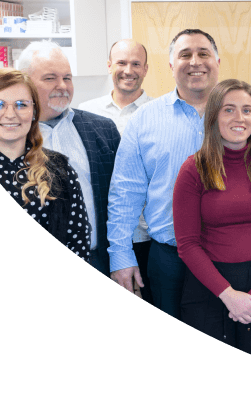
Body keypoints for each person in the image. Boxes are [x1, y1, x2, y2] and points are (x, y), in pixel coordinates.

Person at [107, 29, 251, 319]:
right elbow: (125, 193)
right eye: (185, 54)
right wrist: (120, 255)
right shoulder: (145, 119)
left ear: (217, 60)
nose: (195, 62)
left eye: (203, 53)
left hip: (241, 259)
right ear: (170, 65)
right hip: (171, 260)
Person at [173, 79, 251, 362]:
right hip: (209, 287)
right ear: (214, 116)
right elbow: (187, 244)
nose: (240, 118)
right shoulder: (193, 169)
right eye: (229, 110)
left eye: (247, 110)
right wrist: (228, 296)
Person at [16, 41, 120, 274]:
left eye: (68, 78)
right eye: (50, 78)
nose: (62, 86)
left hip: (98, 262)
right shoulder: (8, 136)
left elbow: (120, 200)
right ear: (24, 82)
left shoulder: (101, 130)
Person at [0, 69, 90, 260]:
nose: (10, 114)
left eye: (21, 105)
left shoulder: (59, 170)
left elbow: (77, 243)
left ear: (34, 112)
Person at [79, 39, 155, 305]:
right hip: (99, 237)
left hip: (146, 236)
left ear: (146, 69)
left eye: (136, 63)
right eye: (121, 62)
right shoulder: (84, 114)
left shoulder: (159, 114)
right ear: (109, 65)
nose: (128, 70)